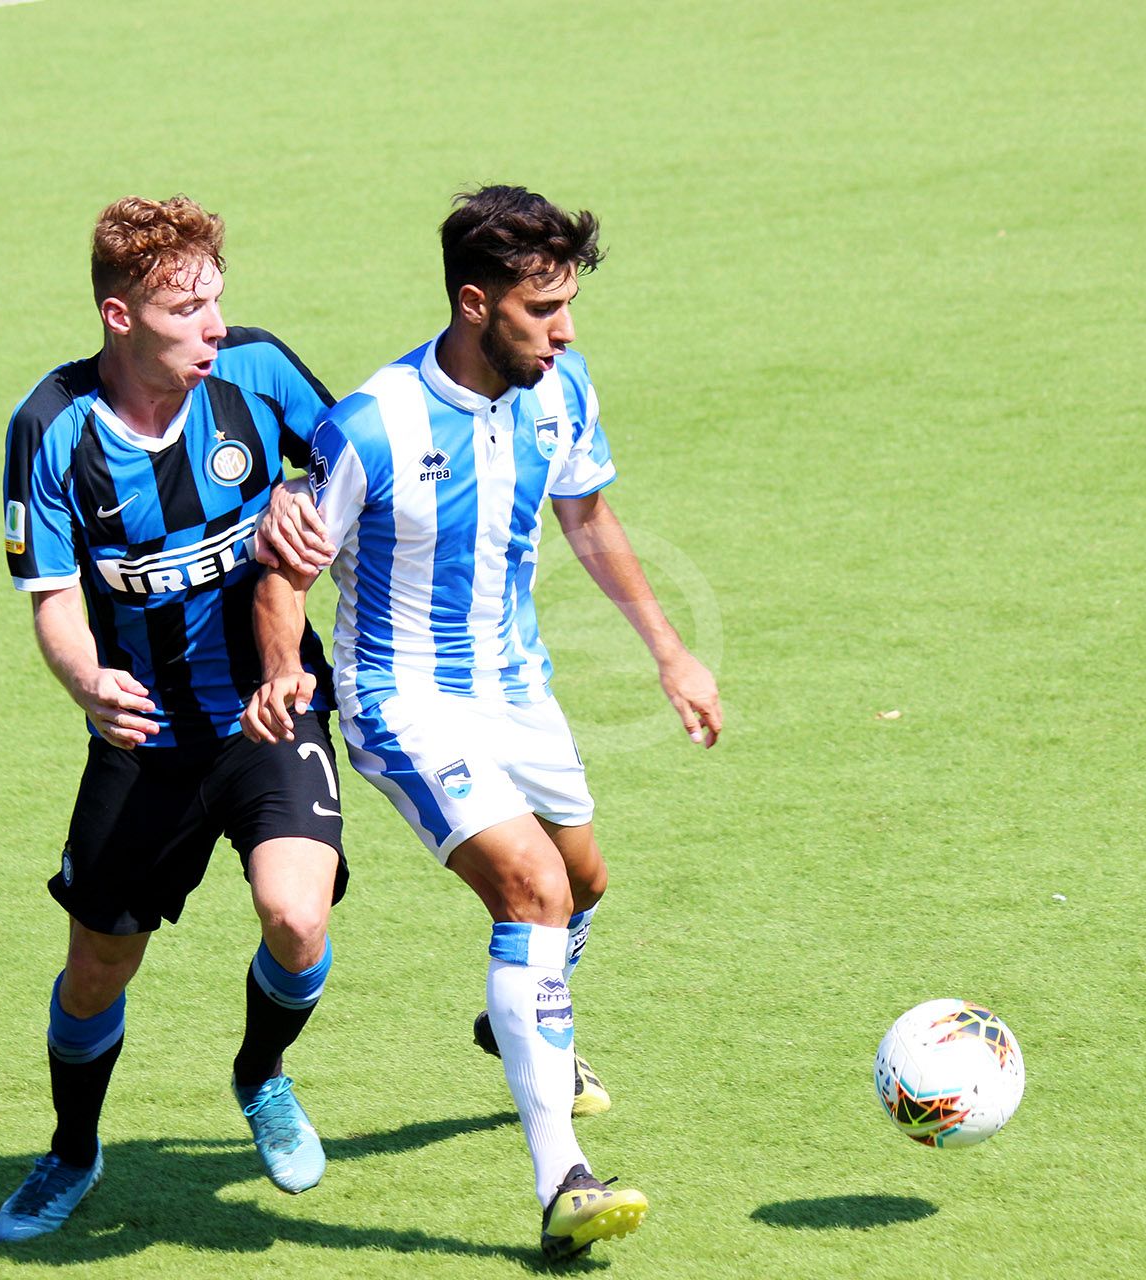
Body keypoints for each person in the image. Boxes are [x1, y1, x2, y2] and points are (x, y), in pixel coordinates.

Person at [246, 184, 723, 1261]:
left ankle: (520, 1019)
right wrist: (282, 670)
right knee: (534, 889)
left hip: (516, 686)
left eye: (567, 306)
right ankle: (563, 1180)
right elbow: (286, 573)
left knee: (583, 884)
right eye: (541, 309)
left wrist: (670, 651)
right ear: (474, 303)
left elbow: (586, 514)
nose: (565, 331)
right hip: (402, 697)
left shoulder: (561, 387)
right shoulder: (371, 424)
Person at [0, 195, 347, 1242]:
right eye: (186, 310)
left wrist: (306, 495)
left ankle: (260, 1073)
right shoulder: (51, 426)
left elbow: (356, 465)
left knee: (297, 917)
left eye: (216, 301)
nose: (213, 327)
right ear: (120, 315)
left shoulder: (259, 372)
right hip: (142, 737)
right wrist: (85, 682)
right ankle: (72, 1150)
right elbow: (54, 597)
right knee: (98, 966)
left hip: (269, 711)